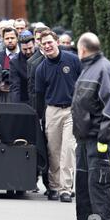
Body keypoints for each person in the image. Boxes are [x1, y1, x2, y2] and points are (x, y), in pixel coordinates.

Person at [68, 32, 110, 220]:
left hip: (96, 140)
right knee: (84, 185)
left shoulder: (105, 70)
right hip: (83, 139)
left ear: (82, 49)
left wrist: (103, 140)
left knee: (99, 185)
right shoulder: (89, 67)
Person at [35, 30, 81, 202]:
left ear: (57, 42)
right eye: (44, 44)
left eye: (50, 42)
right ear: (41, 47)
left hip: (72, 110)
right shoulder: (41, 69)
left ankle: (66, 189)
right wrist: (40, 117)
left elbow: (83, 82)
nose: (47, 46)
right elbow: (39, 95)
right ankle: (53, 187)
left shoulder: (73, 60)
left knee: (68, 149)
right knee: (53, 150)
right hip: (52, 110)